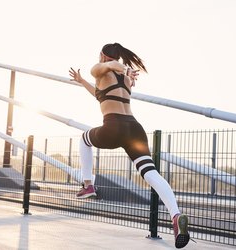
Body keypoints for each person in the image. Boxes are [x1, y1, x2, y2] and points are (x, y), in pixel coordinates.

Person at [69, 43, 190, 249]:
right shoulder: (123, 79)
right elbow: (101, 94)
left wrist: (121, 67)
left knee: (83, 139)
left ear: (102, 56)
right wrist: (82, 82)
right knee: (151, 174)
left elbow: (109, 66)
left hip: (113, 127)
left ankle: (88, 184)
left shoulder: (99, 69)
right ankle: (176, 216)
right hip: (134, 129)